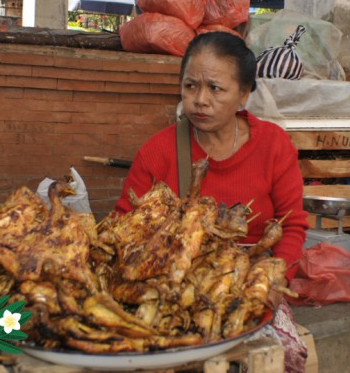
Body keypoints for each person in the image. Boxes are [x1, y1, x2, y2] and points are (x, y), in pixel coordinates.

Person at [114, 31, 309, 372]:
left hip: (253, 283)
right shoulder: (156, 153)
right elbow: (121, 226)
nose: (200, 100)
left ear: (244, 94)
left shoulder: (274, 146)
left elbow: (292, 225)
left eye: (215, 89)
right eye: (190, 86)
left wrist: (271, 284)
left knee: (284, 356)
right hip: (170, 285)